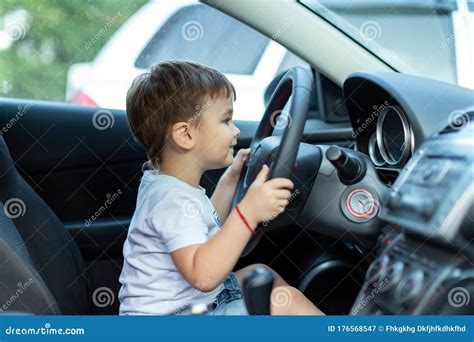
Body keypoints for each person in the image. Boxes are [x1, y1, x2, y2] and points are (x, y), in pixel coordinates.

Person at [118, 60, 324, 316]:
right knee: (287, 301)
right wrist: (249, 212)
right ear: (185, 135)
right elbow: (203, 276)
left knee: (262, 275)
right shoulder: (172, 201)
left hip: (189, 308)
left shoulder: (168, 186)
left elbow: (203, 227)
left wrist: (231, 178)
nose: (236, 131)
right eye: (226, 120)